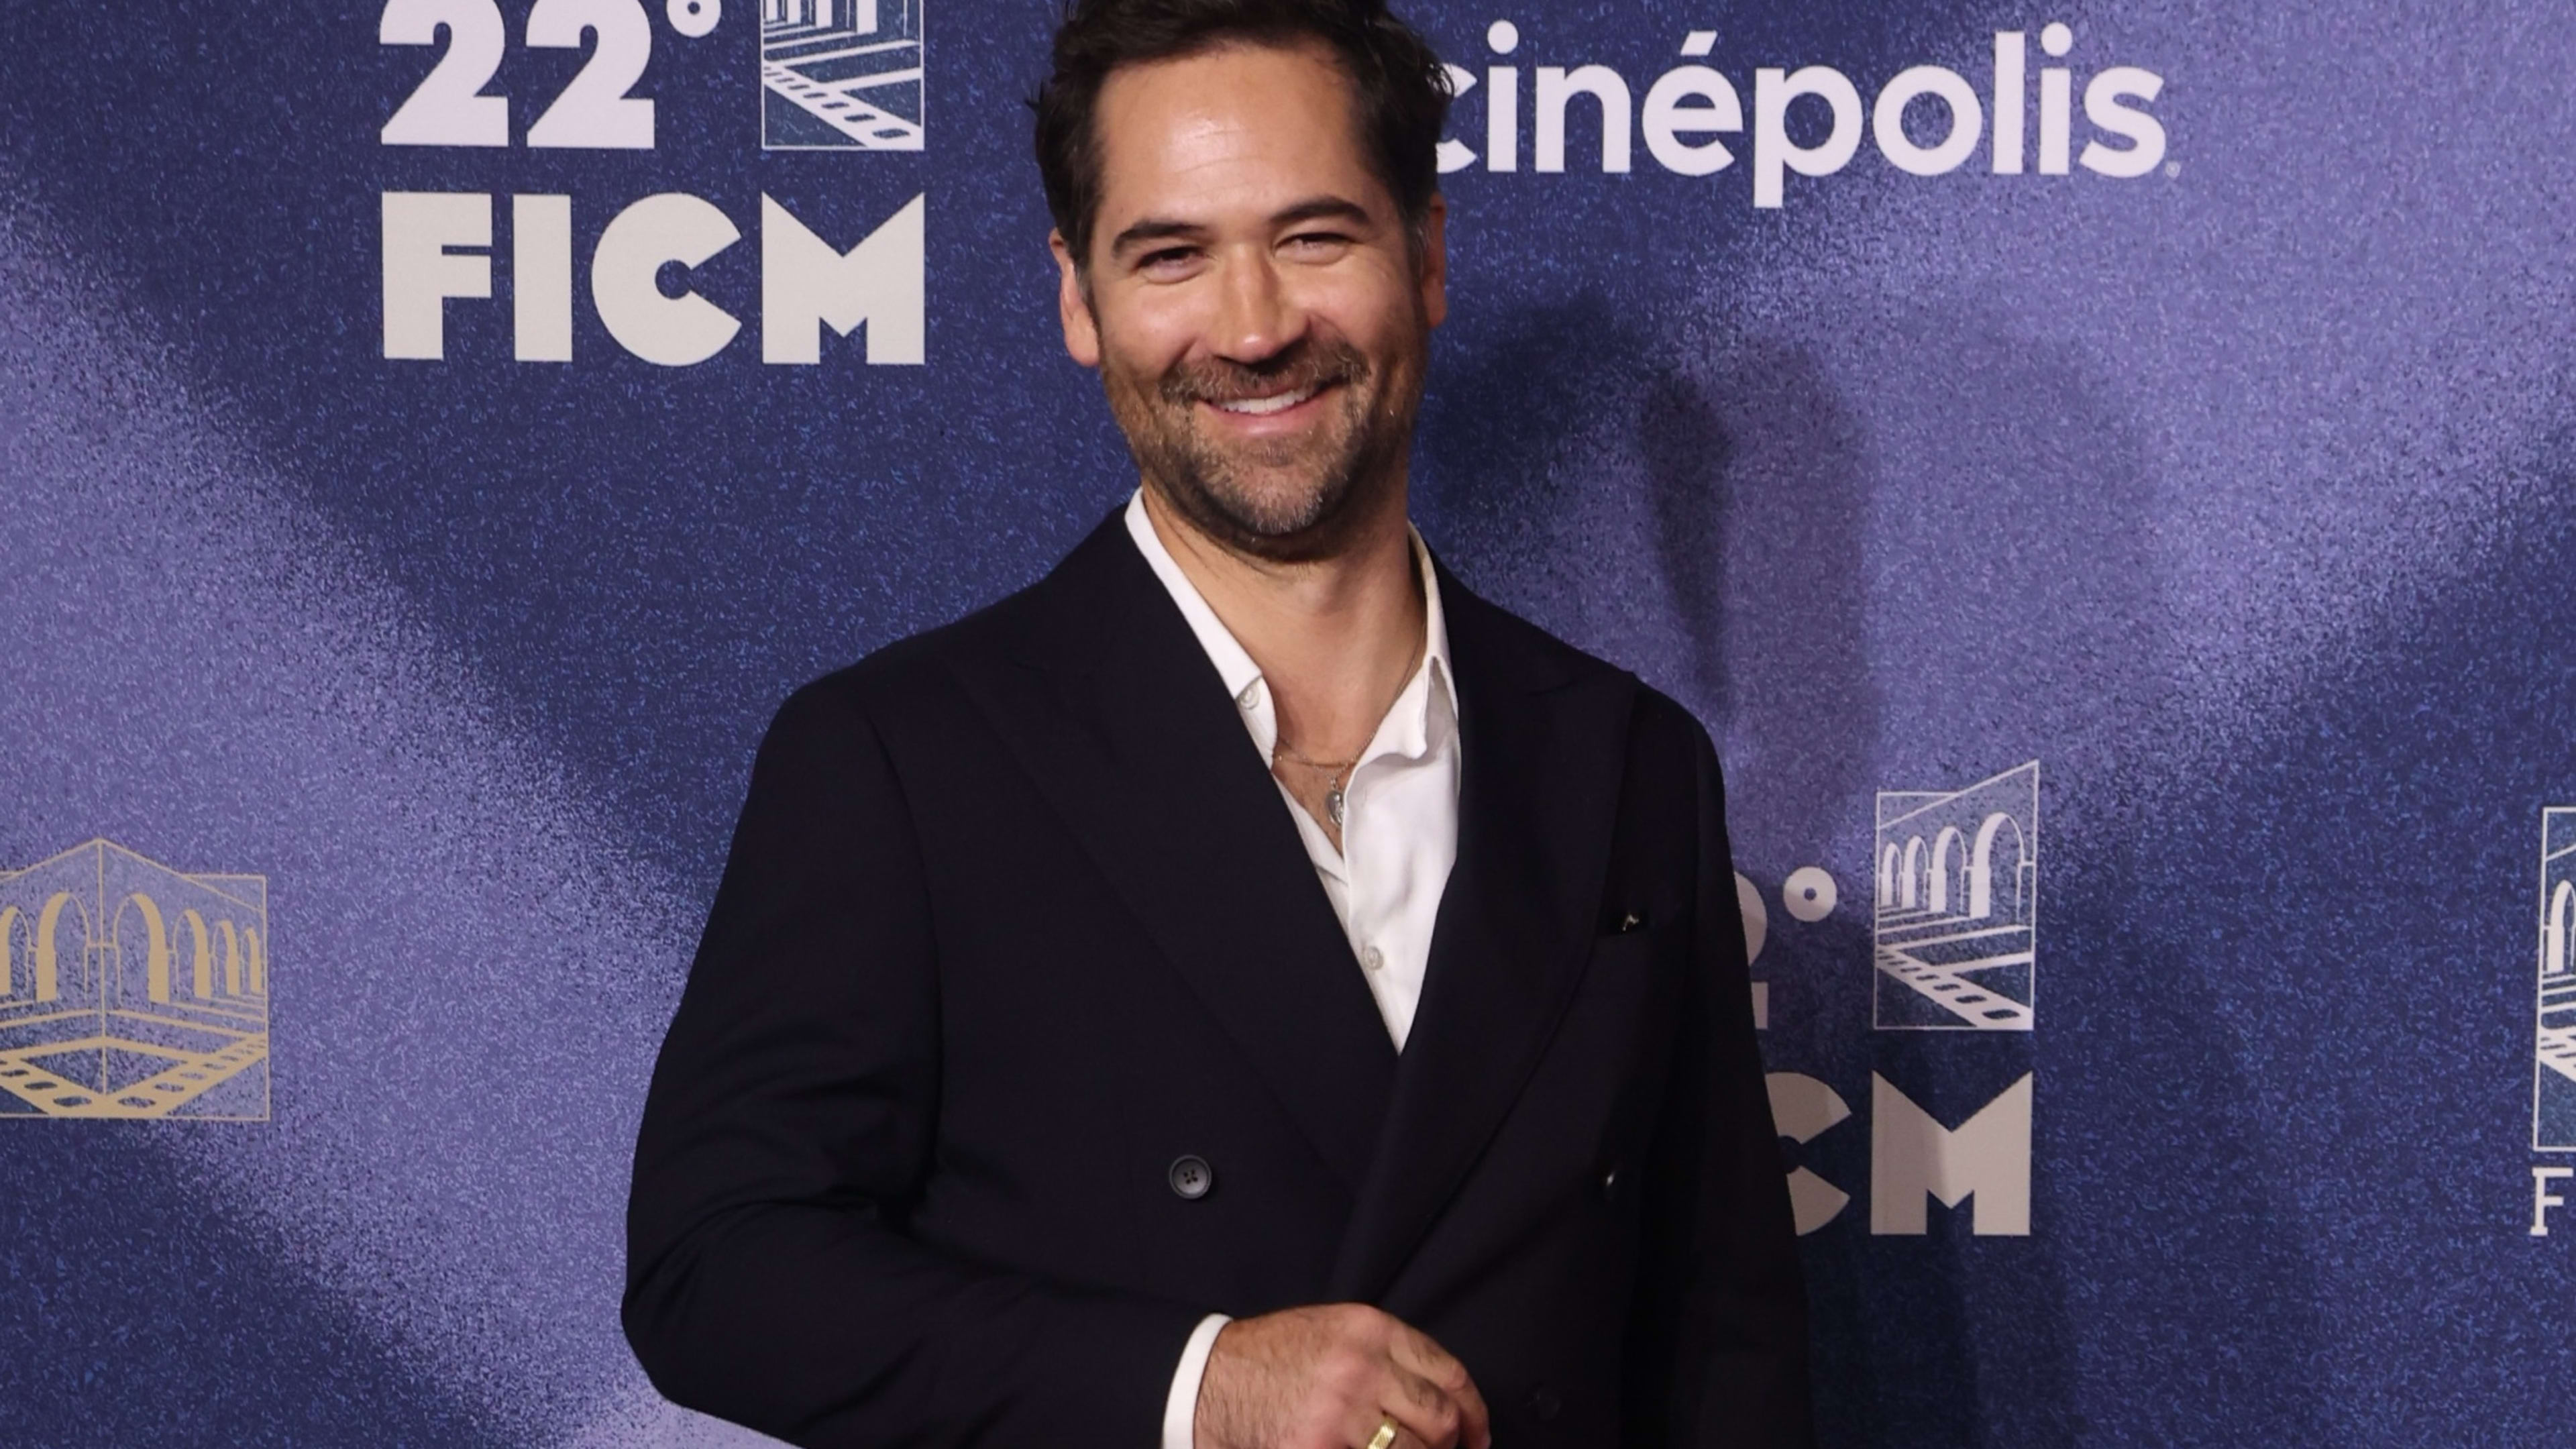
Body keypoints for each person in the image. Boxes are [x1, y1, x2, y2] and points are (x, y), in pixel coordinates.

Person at [621, 1, 1812, 1444]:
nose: (1254, 329)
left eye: (1315, 237)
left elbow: (1723, 1344)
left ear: (1425, 255)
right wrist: (1193, 1384)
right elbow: (718, 1270)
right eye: (1171, 254)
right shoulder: (903, 760)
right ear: (1079, 298)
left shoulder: (1627, 764)